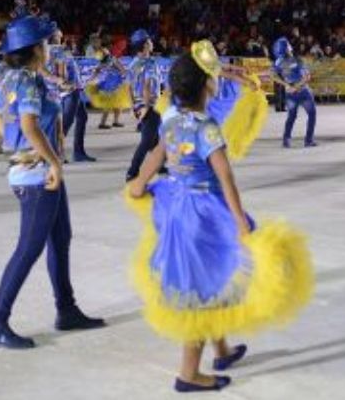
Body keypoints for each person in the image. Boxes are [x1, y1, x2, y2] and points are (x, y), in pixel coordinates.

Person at [125, 41, 313, 392]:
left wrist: (138, 184)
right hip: (203, 212)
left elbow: (156, 154)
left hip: (176, 206)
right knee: (203, 286)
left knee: (209, 276)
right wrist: (239, 220)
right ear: (206, 86)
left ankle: (222, 350)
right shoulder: (207, 127)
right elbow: (225, 176)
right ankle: (188, 375)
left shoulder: (170, 118)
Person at [0, 14, 105, 349]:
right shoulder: (28, 81)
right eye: (47, 43)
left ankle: (66, 310)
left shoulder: (12, 77)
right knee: (29, 248)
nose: (51, 47)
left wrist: (15, 143)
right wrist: (50, 160)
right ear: (35, 48)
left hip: (36, 170)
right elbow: (29, 125)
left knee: (60, 238)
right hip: (38, 174)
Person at [50, 30, 93, 163]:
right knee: (66, 124)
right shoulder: (58, 51)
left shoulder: (56, 50)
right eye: (58, 34)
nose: (61, 36)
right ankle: (55, 153)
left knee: (82, 117)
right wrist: (65, 84)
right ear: (53, 37)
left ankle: (78, 152)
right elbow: (61, 72)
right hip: (70, 90)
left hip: (73, 88)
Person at [126, 29, 163, 180]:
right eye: (149, 41)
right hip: (150, 105)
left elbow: (128, 87)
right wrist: (147, 107)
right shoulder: (150, 64)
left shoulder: (132, 63)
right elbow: (147, 86)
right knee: (147, 141)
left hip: (138, 105)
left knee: (155, 138)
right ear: (145, 45)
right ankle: (132, 171)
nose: (152, 43)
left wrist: (132, 107)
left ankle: (160, 165)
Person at [271, 37, 316, 149]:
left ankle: (286, 140)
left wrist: (286, 85)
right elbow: (307, 77)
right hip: (302, 91)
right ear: (288, 48)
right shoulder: (297, 60)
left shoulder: (278, 62)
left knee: (291, 116)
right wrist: (296, 87)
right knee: (312, 114)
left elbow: (272, 76)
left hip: (290, 93)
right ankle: (308, 140)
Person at [86, 49, 132, 130]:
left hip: (111, 83)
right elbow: (122, 70)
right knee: (112, 104)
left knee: (117, 103)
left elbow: (96, 71)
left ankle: (115, 121)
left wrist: (91, 79)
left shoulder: (105, 61)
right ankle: (103, 123)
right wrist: (123, 75)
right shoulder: (111, 60)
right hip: (113, 84)